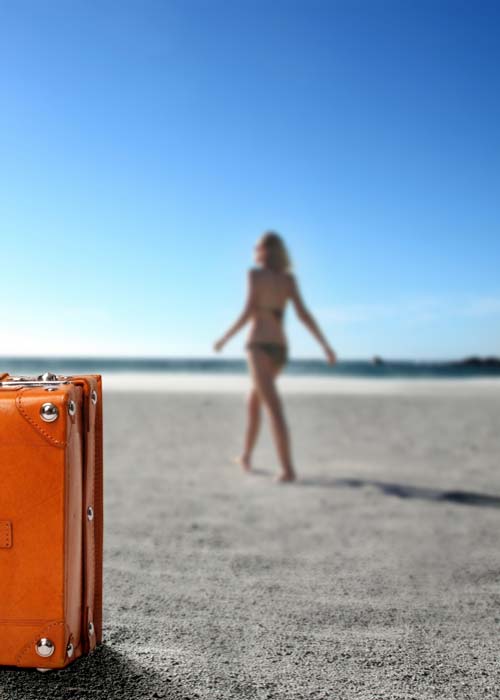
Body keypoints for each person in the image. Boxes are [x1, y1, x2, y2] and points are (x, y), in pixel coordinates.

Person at [214, 231, 337, 482]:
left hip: (258, 345)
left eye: (257, 247)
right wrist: (325, 345)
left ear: (264, 250)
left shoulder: (255, 275)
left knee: (272, 406)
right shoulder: (288, 279)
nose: (255, 252)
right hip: (280, 349)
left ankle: (288, 469)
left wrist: (225, 337)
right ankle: (246, 456)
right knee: (254, 400)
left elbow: (248, 311)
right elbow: (303, 314)